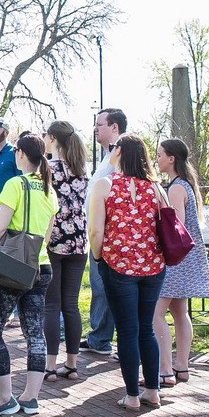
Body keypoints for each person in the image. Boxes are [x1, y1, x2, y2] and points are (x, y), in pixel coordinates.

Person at [88, 133, 165, 410]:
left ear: (118, 152)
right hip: (153, 266)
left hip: (118, 266)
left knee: (127, 330)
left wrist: (98, 258)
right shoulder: (156, 189)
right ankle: (153, 391)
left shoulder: (104, 185)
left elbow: (96, 230)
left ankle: (132, 395)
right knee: (146, 329)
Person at [0, 133, 58, 417]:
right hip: (41, 268)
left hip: (12, 268)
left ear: (20, 154)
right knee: (34, 333)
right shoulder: (49, 190)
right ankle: (31, 398)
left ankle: (4, 397)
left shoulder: (15, 184)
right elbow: (48, 238)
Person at [153, 138, 209, 386]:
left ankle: (166, 369)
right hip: (186, 259)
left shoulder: (176, 188)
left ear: (171, 159)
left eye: (159, 155)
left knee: (155, 314)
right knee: (180, 312)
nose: (156, 159)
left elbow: (174, 225)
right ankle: (182, 366)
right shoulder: (185, 185)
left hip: (175, 260)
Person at [42, 120, 89, 382]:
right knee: (70, 304)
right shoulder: (82, 170)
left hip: (54, 241)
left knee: (52, 303)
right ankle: (71, 364)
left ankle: (49, 365)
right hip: (79, 242)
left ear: (52, 138)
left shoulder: (48, 169)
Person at [81, 107, 127, 356]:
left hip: (112, 234)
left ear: (114, 128)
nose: (95, 129)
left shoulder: (123, 155)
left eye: (99, 125)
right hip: (99, 230)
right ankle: (99, 338)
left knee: (113, 289)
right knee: (101, 288)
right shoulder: (106, 155)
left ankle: (120, 342)